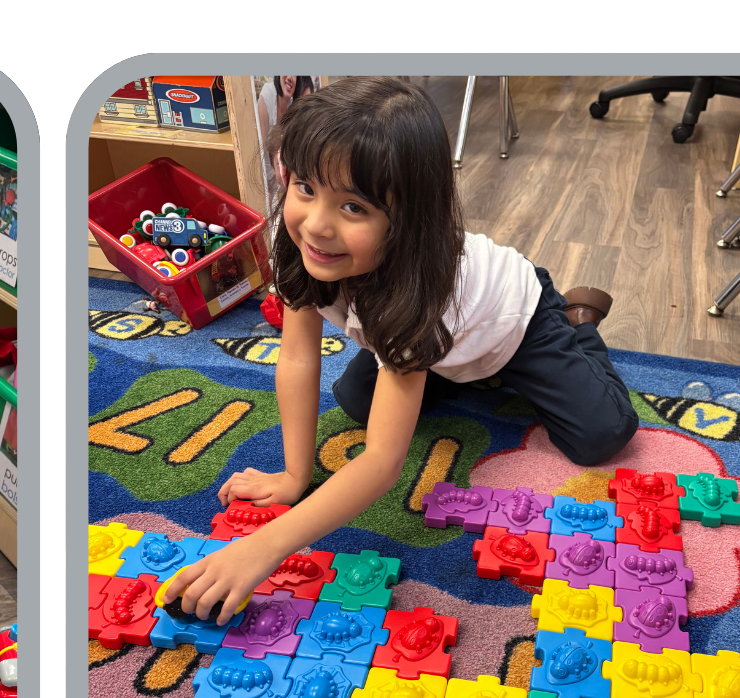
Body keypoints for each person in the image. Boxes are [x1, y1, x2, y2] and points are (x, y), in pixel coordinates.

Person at [162, 76, 634, 624]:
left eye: (354, 207)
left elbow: (384, 465)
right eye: (306, 188)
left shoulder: (424, 288)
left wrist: (262, 549)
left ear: (406, 219)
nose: (317, 224)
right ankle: (455, 368)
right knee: (357, 400)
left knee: (603, 434)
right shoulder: (303, 244)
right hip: (421, 338)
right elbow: (296, 357)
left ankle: (579, 323)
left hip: (516, 324)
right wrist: (294, 478)